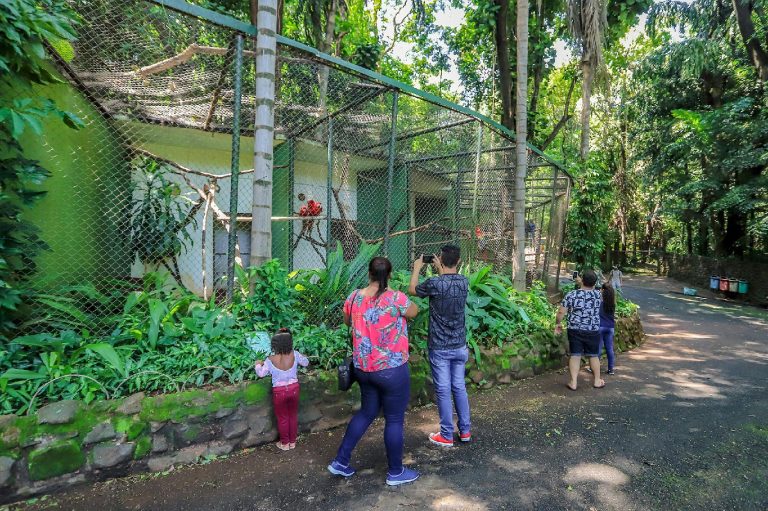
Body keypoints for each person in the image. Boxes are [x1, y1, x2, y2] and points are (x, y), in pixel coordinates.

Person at [328, 257, 420, 486]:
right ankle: (396, 472)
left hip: (363, 369)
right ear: (389, 275)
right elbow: (414, 312)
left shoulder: (354, 297)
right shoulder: (396, 298)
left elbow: (347, 321)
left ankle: (340, 461)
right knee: (394, 419)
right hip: (392, 370)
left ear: (369, 274)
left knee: (366, 412)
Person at [409, 245, 471, 447]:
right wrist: (441, 269)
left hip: (440, 346)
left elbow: (412, 290)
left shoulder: (434, 283)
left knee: (444, 390)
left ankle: (446, 434)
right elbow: (449, 283)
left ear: (441, 261)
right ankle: (465, 431)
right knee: (459, 387)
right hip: (459, 344)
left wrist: (417, 268)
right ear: (459, 261)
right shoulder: (464, 281)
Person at [254, 328, 310, 450]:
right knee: (292, 416)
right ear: (289, 343)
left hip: (279, 392)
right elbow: (306, 362)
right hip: (294, 389)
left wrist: (258, 364)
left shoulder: (270, 360)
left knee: (283, 418)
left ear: (275, 345)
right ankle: (292, 442)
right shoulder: (295, 354)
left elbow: (261, 373)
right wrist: (304, 356)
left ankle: (284, 444)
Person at [555, 269, 605, 390]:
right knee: (593, 355)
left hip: (575, 329)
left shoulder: (572, 294)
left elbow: (561, 312)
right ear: (594, 283)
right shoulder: (598, 295)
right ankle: (597, 380)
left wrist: (558, 323)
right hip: (593, 329)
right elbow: (590, 289)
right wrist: (584, 282)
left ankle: (573, 382)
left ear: (582, 280)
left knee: (575, 355)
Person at [599, 282, 617, 375]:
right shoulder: (613, 305)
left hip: (600, 327)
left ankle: (594, 368)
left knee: (598, 348)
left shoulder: (600, 303)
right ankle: (611, 369)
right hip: (610, 328)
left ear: (603, 291)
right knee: (609, 349)